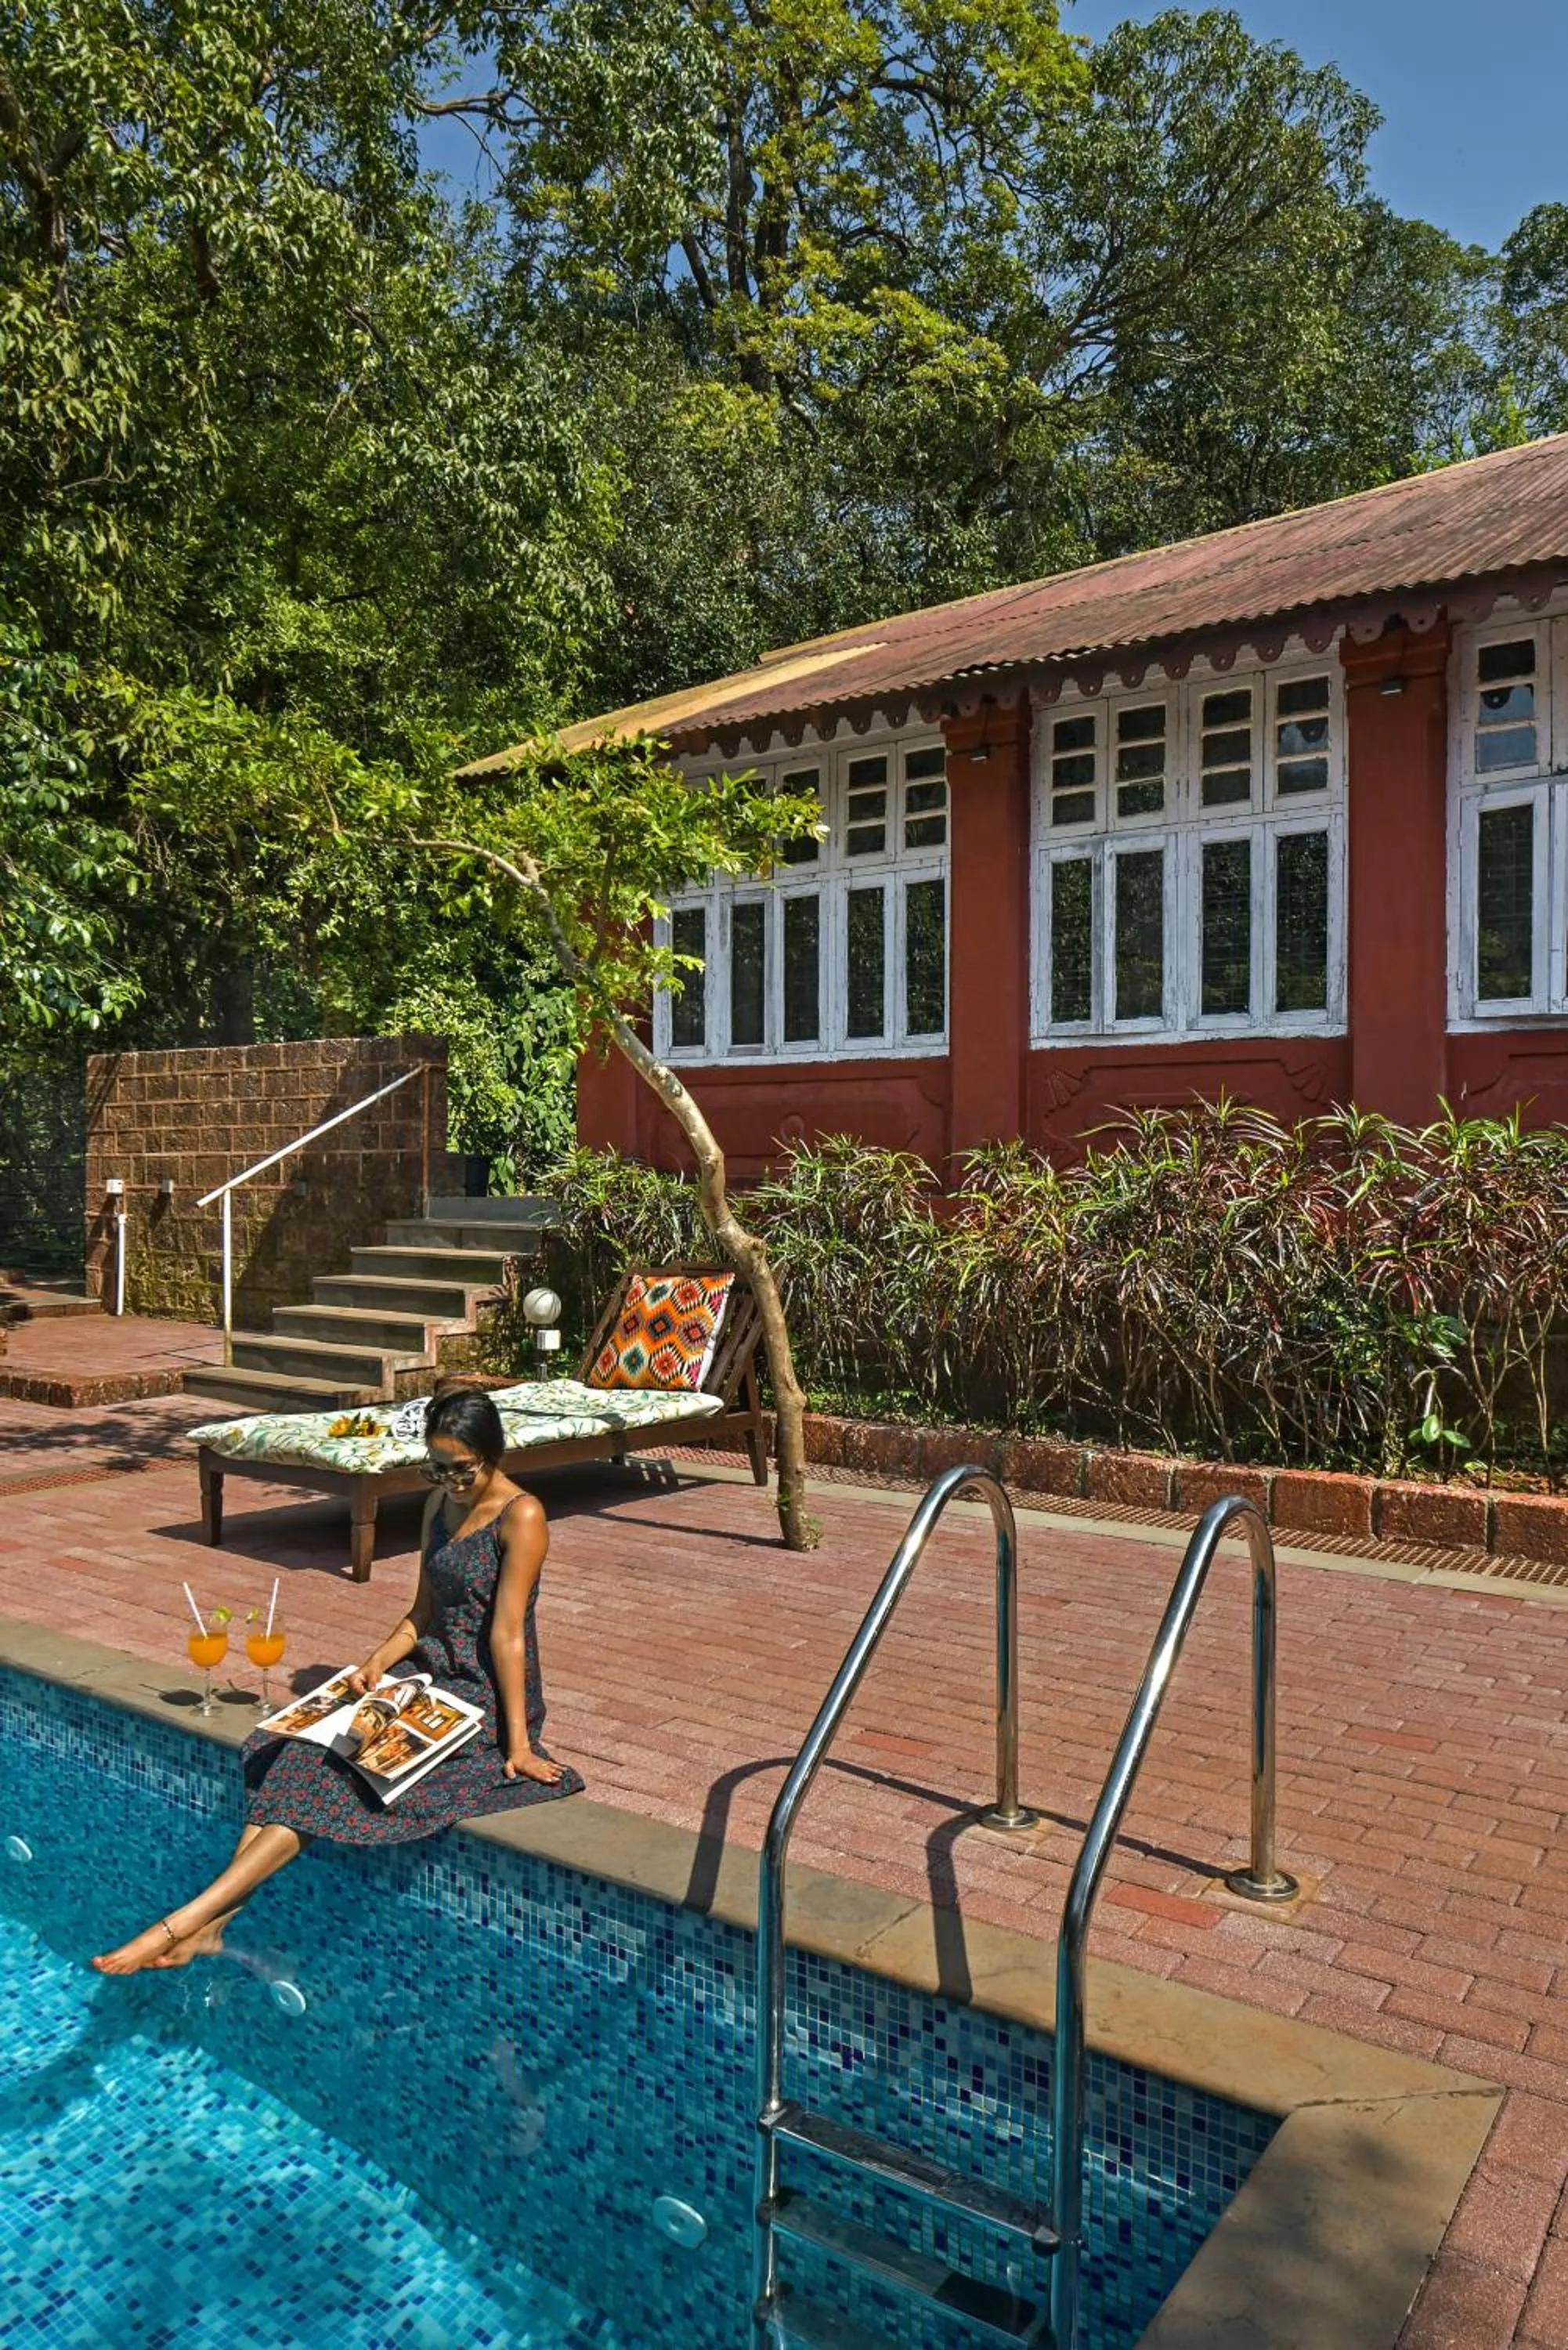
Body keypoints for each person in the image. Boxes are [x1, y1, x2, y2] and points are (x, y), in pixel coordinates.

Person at [92, 1383, 583, 1975]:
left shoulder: (522, 1515)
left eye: (462, 1470)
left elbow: (507, 1636)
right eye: (438, 1467)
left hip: (477, 1692)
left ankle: (183, 1923)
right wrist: (377, 1661)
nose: (451, 1481)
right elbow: (421, 1614)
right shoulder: (439, 1505)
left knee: (341, 1778)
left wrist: (520, 1745)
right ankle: (213, 1927)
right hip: (422, 1673)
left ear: (493, 1453)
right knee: (297, 1753)